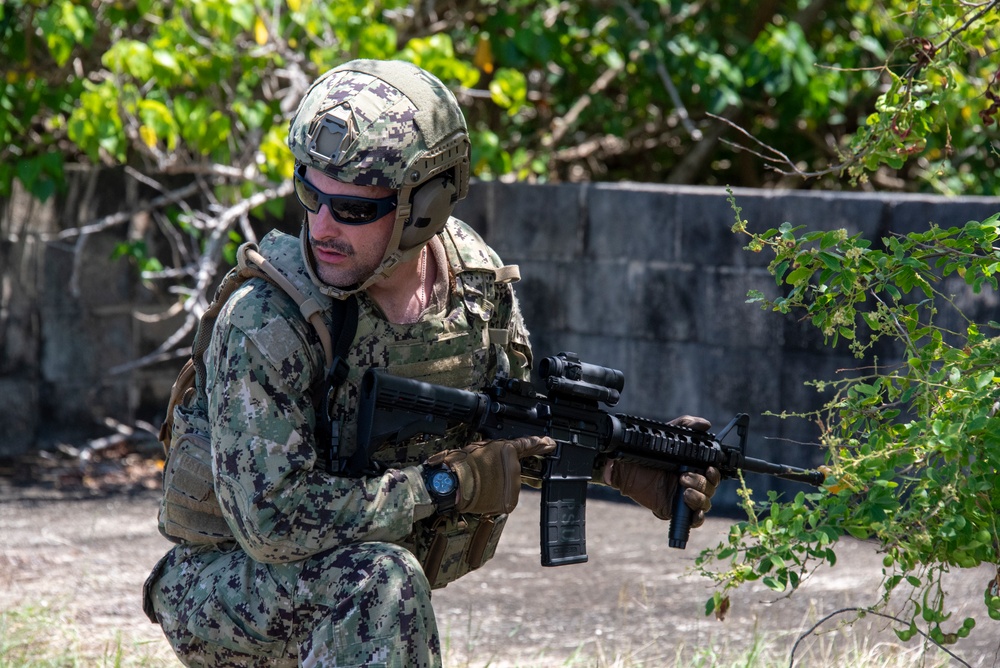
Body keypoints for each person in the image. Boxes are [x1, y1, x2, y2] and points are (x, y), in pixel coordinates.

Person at [143, 59, 721, 668]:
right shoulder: (267, 322)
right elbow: (274, 524)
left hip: (337, 573)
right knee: (379, 584)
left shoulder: (472, 283)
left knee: (377, 582)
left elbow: (500, 435)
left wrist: (617, 462)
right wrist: (447, 484)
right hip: (224, 584)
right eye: (310, 195)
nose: (322, 227)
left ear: (426, 204)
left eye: (355, 209)